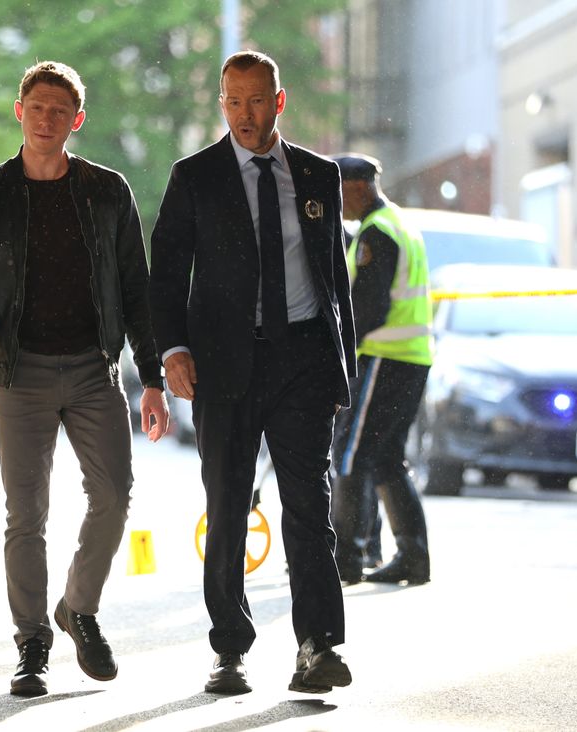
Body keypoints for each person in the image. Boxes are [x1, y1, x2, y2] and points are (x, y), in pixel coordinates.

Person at [0, 61, 169, 698]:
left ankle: (79, 610)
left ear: (77, 120)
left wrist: (150, 375)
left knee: (115, 495)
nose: (47, 120)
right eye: (36, 108)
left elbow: (135, 287)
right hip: (19, 372)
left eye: (60, 111)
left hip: (96, 370)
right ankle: (32, 644)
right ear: (19, 112)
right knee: (27, 514)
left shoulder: (106, 191)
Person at [150, 50, 357, 696]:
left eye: (258, 100)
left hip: (302, 362)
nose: (247, 113)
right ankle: (230, 651)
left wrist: (339, 372)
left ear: (280, 101)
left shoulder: (319, 176)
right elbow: (165, 272)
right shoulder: (196, 177)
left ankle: (318, 645)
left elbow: (336, 284)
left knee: (308, 508)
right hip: (224, 364)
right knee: (230, 507)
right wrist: (172, 351)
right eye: (234, 101)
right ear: (222, 103)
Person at [329, 153, 433, 586]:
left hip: (383, 358)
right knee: (388, 458)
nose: (337, 203)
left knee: (350, 455)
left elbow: (369, 308)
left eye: (338, 193)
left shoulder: (377, 233)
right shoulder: (399, 223)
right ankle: (413, 556)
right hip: (410, 356)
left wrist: (336, 350)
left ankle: (347, 559)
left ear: (357, 187)